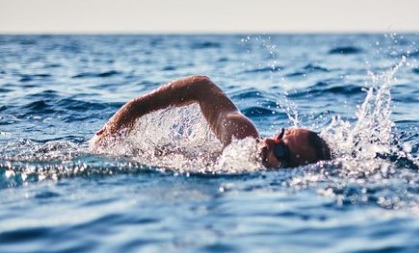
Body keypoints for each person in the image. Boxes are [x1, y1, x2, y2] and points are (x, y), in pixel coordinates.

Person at [93, 75, 331, 168]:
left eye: (280, 150)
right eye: (279, 135)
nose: (269, 141)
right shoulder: (242, 137)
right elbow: (201, 86)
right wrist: (130, 113)